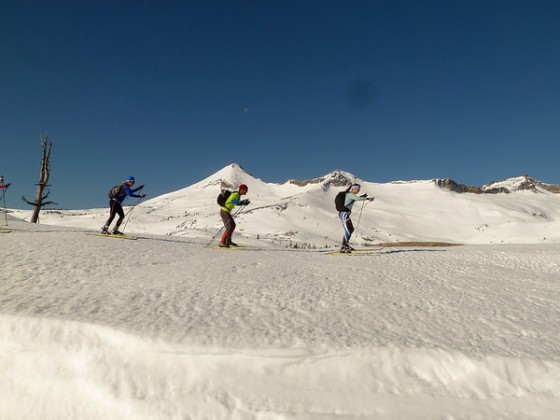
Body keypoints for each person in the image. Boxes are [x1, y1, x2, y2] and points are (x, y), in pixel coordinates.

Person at [338, 183, 374, 253]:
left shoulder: (350, 195)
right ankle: (344, 246)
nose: (358, 191)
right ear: (354, 189)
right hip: (344, 214)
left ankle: (345, 245)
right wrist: (367, 198)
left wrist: (363, 197)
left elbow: (355, 199)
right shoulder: (350, 194)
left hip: (345, 214)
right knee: (348, 230)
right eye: (358, 189)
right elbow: (357, 198)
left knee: (350, 229)